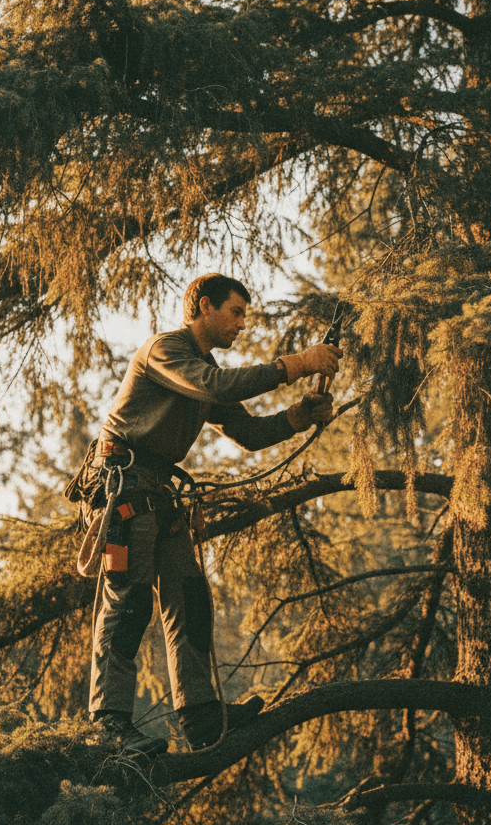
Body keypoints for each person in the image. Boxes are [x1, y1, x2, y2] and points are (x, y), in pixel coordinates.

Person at [69, 273, 341, 753]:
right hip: (124, 486)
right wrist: (299, 363)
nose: (241, 325)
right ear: (204, 306)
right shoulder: (167, 351)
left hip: (158, 493)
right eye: (235, 313)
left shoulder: (205, 369)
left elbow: (250, 433)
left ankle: (198, 714)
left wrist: (300, 415)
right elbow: (215, 386)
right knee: (129, 604)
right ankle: (109, 726)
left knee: (190, 601)